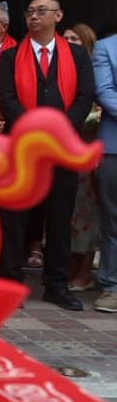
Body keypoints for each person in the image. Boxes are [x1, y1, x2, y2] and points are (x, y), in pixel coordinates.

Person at [0, 0, 95, 311]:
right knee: (15, 218)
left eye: (41, 11)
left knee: (59, 218)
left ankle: (55, 285)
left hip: (63, 148)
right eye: (30, 12)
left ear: (59, 15)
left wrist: (58, 128)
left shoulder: (77, 55)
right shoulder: (11, 57)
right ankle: (10, 284)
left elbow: (84, 97)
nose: (34, 16)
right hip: (22, 148)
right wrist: (34, 128)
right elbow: (6, 97)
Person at [63, 23, 101, 294]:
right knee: (67, 214)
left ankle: (85, 271)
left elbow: (99, 112)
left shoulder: (96, 72)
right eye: (65, 38)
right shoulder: (60, 70)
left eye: (75, 39)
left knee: (86, 215)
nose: (69, 42)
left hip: (87, 152)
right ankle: (71, 266)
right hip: (61, 152)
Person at [92, 28, 117, 313]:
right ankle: (112, 285)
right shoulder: (106, 47)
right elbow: (105, 92)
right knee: (114, 220)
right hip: (114, 146)